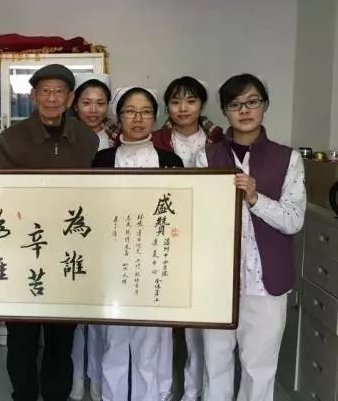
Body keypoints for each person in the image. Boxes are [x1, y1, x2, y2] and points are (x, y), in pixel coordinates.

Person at [197, 74, 305, 401]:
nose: (244, 110)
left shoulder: (288, 158)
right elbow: (197, 219)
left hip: (266, 284)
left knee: (259, 370)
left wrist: (257, 199)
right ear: (224, 111)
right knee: (215, 365)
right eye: (235, 104)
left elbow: (294, 220)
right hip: (217, 283)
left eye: (252, 102)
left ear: (264, 106)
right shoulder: (206, 156)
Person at [0, 64, 98, 401]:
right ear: (33, 96)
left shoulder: (88, 139)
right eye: (45, 91)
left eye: (59, 92)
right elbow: (9, 197)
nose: (52, 98)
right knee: (22, 338)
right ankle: (23, 394)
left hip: (67, 251)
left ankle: (56, 394)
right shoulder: (10, 139)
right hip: (24, 249)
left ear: (70, 98)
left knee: (61, 337)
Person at [93, 86, 183, 401]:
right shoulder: (102, 160)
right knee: (114, 342)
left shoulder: (170, 161)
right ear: (119, 116)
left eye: (145, 112)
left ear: (155, 118)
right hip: (113, 264)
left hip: (155, 264)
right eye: (130, 111)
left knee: (151, 343)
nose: (138, 118)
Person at [152, 76, 223, 401]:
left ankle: (194, 390)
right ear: (167, 106)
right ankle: (165, 387)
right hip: (166, 235)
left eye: (191, 101)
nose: (183, 108)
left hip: (206, 237)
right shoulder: (156, 140)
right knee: (164, 321)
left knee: (199, 321)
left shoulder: (219, 141)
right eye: (176, 101)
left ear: (202, 105)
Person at [69, 73, 114, 401]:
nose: (93, 109)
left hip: (105, 232)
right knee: (73, 315)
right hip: (70, 228)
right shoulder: (65, 135)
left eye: (100, 103)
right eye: (87, 102)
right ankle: (75, 378)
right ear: (75, 105)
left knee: (99, 315)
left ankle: (97, 380)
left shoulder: (117, 138)